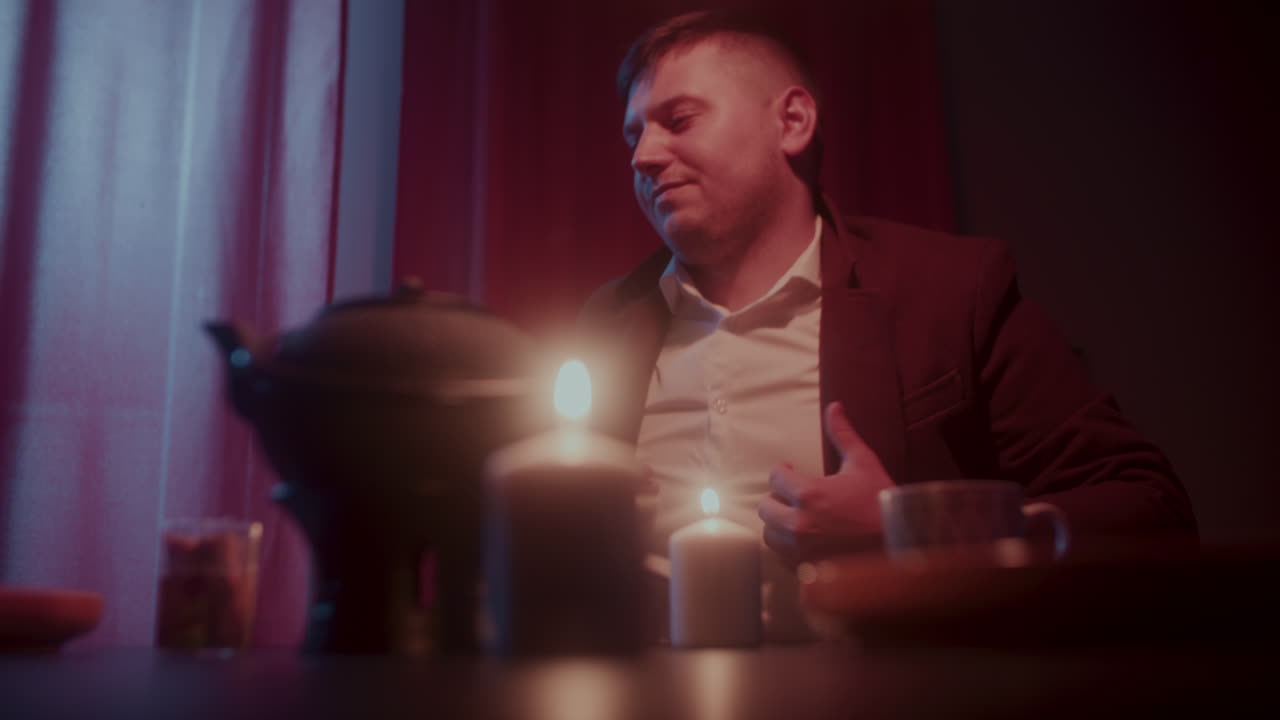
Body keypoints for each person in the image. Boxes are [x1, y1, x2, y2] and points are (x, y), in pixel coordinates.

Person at [577, 9, 1197, 624]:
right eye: (633, 136)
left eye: (679, 120)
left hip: (889, 675)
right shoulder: (607, 325)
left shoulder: (948, 292)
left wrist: (911, 532)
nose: (643, 156)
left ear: (792, 122)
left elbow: (1150, 506)